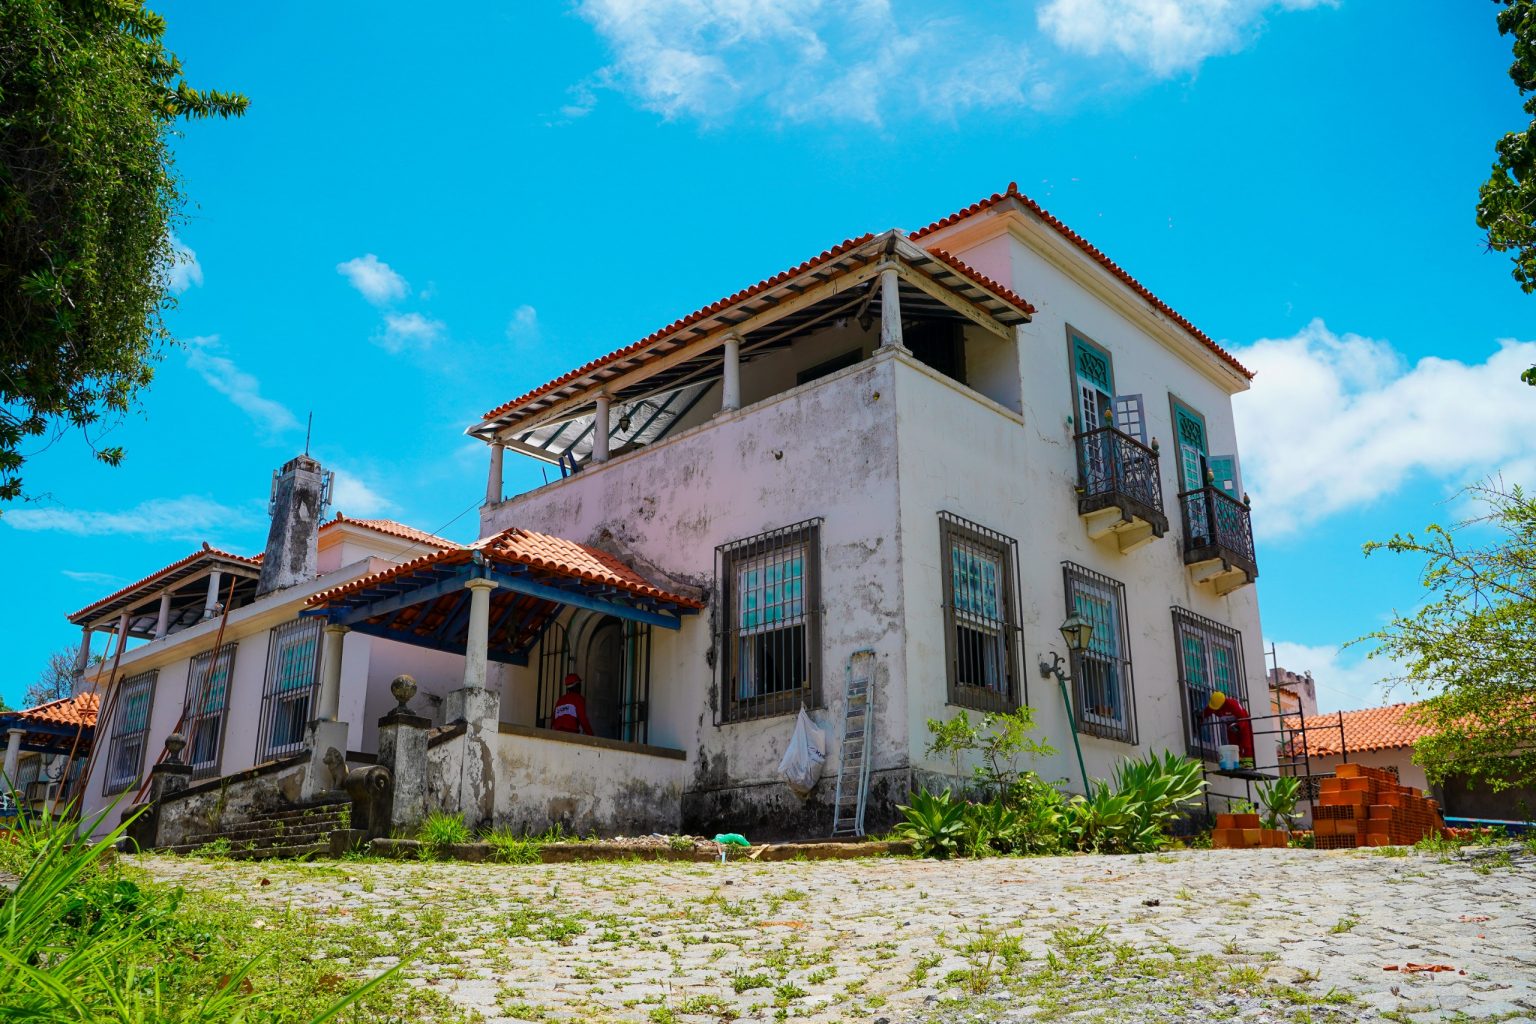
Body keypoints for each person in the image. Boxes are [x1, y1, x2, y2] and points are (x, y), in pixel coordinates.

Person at [1202, 690, 1255, 767]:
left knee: (1247, 743)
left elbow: (1243, 717)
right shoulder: (1214, 705)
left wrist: (1238, 726)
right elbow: (1206, 712)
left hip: (1243, 723)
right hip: (1231, 726)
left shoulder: (1233, 704)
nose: (1215, 710)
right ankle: (1237, 763)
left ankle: (1248, 764)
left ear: (1223, 703)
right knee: (1234, 744)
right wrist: (1201, 716)